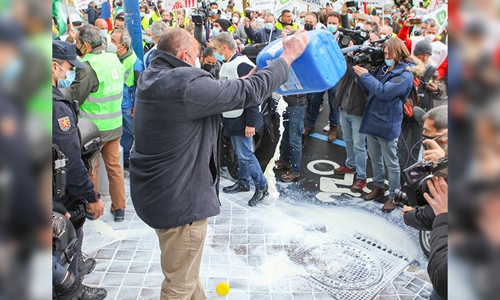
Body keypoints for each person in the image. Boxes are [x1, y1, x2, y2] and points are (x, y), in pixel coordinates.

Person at [130, 28, 309, 299]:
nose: (203, 58)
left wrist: (244, 81)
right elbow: (247, 91)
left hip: (157, 195)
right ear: (184, 55)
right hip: (179, 205)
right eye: (198, 54)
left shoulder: (153, 76)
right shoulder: (185, 85)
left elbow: (230, 90)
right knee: (178, 285)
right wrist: (288, 56)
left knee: (185, 274)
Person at [52, 40, 107, 300]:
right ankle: (71, 289)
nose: (69, 73)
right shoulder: (55, 107)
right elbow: (69, 161)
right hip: (56, 193)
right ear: (53, 67)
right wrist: (91, 197)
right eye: (67, 67)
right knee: (66, 244)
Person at [70, 24, 127, 222]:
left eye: (77, 42)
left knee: (91, 169)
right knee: (114, 168)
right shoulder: (113, 58)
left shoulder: (87, 65)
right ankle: (119, 208)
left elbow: (76, 95)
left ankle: (92, 208)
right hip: (114, 123)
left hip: (92, 130)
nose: (76, 45)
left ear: (85, 44)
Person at [353, 38, 415, 212]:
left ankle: (394, 195)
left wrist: (364, 75)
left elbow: (382, 92)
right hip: (373, 119)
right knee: (375, 157)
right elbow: (368, 88)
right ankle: (378, 186)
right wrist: (362, 75)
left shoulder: (405, 74)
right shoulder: (386, 67)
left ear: (398, 52)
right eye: (384, 53)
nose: (385, 56)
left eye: (389, 53)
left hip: (387, 123)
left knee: (391, 162)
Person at [213, 33, 269, 206]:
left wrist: (251, 123)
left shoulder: (243, 64)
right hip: (232, 117)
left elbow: (254, 95)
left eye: (215, 48)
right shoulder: (227, 63)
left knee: (245, 155)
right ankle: (244, 182)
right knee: (240, 153)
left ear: (224, 47)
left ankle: (262, 186)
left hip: (243, 119)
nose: (214, 52)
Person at [397, 41, 443, 173]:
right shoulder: (407, 67)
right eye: (422, 55)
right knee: (400, 144)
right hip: (405, 111)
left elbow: (439, 90)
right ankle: (399, 170)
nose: (424, 58)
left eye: (427, 55)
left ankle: (412, 171)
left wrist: (436, 89)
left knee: (417, 145)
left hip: (422, 114)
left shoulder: (432, 70)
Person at [111, 29, 144, 168]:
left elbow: (140, 88)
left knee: (127, 134)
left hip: (127, 105)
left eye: (113, 41)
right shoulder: (112, 58)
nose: (110, 43)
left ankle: (124, 159)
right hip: (115, 103)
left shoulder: (135, 64)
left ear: (123, 45)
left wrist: (135, 107)